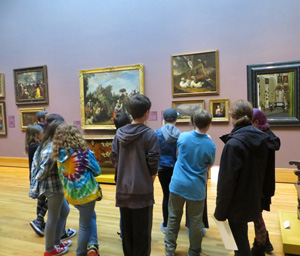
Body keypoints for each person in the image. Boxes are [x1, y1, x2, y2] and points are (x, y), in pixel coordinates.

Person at [214, 100, 269, 256]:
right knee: (241, 241)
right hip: (254, 198)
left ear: (232, 116)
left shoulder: (233, 144)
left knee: (240, 246)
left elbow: (226, 182)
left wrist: (220, 211)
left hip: (236, 205)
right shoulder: (262, 139)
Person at [111, 94, 160, 256]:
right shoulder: (150, 134)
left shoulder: (119, 134)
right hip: (142, 191)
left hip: (123, 189)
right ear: (147, 112)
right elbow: (153, 162)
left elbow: (114, 158)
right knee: (142, 234)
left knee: (127, 233)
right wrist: (149, 178)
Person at [165, 110, 216, 256]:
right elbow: (209, 165)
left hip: (177, 184)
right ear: (209, 125)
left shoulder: (183, 137)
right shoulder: (210, 145)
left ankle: (169, 249)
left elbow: (180, 153)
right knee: (195, 222)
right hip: (196, 188)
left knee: (173, 217)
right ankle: (193, 251)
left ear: (193, 122)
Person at [52, 123, 102, 256]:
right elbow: (97, 171)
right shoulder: (84, 153)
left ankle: (93, 245)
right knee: (84, 225)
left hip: (71, 196)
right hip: (87, 195)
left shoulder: (59, 155)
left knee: (91, 216)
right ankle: (81, 252)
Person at [29, 114, 73, 256]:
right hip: (52, 188)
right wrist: (37, 184)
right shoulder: (51, 148)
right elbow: (43, 169)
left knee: (64, 212)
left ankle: (57, 242)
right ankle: (50, 250)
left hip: (55, 186)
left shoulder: (48, 144)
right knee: (53, 217)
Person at [251, 108, 281, 255]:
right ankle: (265, 243)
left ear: (256, 122)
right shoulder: (268, 136)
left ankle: (260, 247)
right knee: (258, 214)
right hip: (264, 183)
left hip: (260, 184)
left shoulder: (261, 139)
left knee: (256, 215)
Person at [155, 108, 181, 234]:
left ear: (164, 119)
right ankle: (175, 223)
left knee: (166, 195)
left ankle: (166, 224)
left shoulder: (157, 133)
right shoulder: (180, 134)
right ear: (176, 119)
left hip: (162, 168)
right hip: (175, 168)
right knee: (175, 196)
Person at [113, 111, 132, 238]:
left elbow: (114, 158)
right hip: (135, 174)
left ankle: (124, 231)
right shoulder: (137, 135)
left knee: (123, 207)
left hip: (121, 175)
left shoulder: (117, 137)